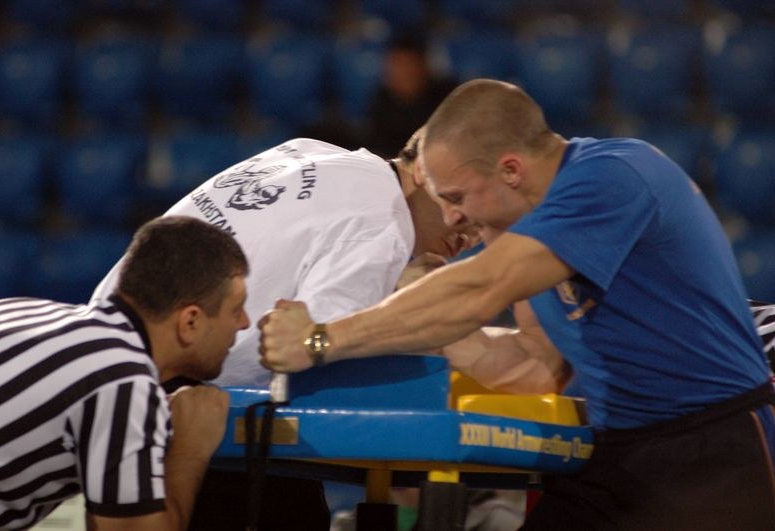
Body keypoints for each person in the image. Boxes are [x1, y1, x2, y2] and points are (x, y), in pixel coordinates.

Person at [259, 79, 775, 529]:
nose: (453, 220)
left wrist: (320, 340)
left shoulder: (614, 176)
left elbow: (481, 287)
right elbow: (537, 371)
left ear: (510, 170)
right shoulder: (530, 233)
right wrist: (441, 329)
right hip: (619, 452)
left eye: (458, 197)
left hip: (711, 449)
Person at [91, 133, 477, 530]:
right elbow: (311, 357)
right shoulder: (384, 223)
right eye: (468, 201)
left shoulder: (315, 152)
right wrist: (418, 320)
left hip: (110, 349)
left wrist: (387, 293)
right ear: (426, 168)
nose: (476, 232)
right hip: (173, 397)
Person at [0, 216, 249, 530]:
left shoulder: (14, 309)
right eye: (235, 309)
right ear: (190, 322)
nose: (245, 323)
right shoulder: (120, 381)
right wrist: (191, 447)